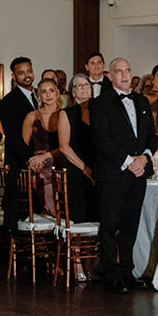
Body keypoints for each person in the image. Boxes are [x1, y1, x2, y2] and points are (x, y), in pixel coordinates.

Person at [91, 58, 157, 292]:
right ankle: (110, 274)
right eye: (119, 71)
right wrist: (129, 161)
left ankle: (127, 272)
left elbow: (151, 136)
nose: (125, 75)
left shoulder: (142, 101)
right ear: (110, 76)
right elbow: (101, 139)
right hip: (113, 173)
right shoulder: (100, 103)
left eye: (128, 70)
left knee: (131, 225)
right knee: (109, 225)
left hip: (138, 173)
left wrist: (144, 158)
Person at [0, 57, 39, 223]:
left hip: (39, 163)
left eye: (29, 71)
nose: (27, 76)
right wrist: (30, 161)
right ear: (14, 76)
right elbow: (13, 137)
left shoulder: (39, 96)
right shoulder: (9, 101)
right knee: (20, 215)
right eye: (21, 73)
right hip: (20, 165)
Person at [21, 77, 64, 216]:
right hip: (38, 165)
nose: (48, 95)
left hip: (61, 158)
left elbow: (68, 145)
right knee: (40, 168)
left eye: (51, 91)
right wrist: (31, 161)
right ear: (39, 95)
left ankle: (54, 216)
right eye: (44, 92)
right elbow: (23, 147)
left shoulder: (65, 115)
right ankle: (48, 215)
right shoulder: (31, 117)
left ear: (57, 93)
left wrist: (47, 157)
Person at [57, 76, 95, 221]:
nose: (84, 88)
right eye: (79, 86)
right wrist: (85, 169)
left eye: (86, 85)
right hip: (77, 169)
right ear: (72, 91)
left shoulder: (100, 111)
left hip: (98, 168)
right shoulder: (66, 113)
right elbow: (64, 147)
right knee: (80, 216)